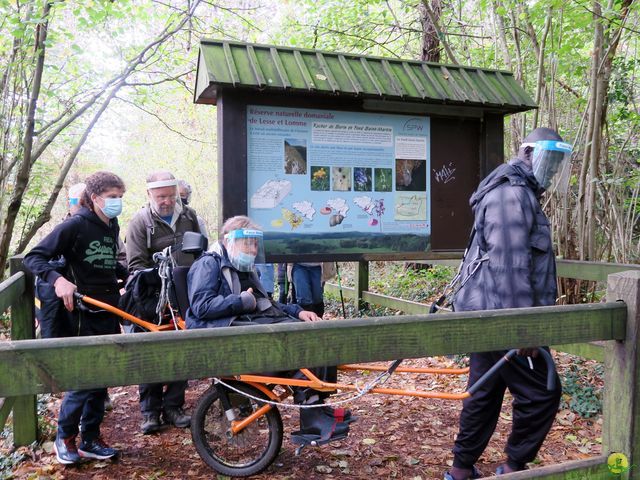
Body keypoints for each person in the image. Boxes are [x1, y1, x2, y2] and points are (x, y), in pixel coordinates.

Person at [444, 128, 570, 479]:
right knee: (543, 392)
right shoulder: (511, 195)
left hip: (493, 313)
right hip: (505, 318)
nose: (555, 167)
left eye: (560, 161)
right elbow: (510, 262)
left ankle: (460, 468)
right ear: (528, 154)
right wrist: (523, 329)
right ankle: (514, 466)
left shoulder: (519, 191)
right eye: (551, 158)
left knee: (484, 392)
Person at [186, 215, 355, 442]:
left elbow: (267, 303)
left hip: (252, 326)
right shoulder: (208, 263)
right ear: (229, 241)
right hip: (231, 334)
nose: (253, 249)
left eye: (255, 244)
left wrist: (297, 312)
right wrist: (241, 301)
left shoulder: (243, 267)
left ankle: (318, 408)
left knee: (318, 331)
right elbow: (201, 307)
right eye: (248, 243)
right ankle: (311, 418)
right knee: (303, 339)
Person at [24, 171, 127, 465]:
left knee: (101, 379)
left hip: (108, 308)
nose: (117, 203)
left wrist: (125, 275)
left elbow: (101, 263)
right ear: (94, 198)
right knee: (84, 378)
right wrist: (58, 281)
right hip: (81, 313)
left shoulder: (112, 225)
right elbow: (35, 257)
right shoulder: (75, 224)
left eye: (120, 197)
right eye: (111, 198)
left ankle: (91, 438)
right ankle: (65, 438)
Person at [126, 170, 200, 434]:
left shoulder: (190, 217)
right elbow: (135, 266)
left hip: (185, 297)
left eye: (170, 195)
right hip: (150, 300)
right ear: (149, 195)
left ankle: (174, 407)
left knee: (182, 352)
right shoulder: (139, 223)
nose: (167, 201)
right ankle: (150, 412)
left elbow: (201, 253)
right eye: (161, 197)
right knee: (149, 353)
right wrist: (161, 284)